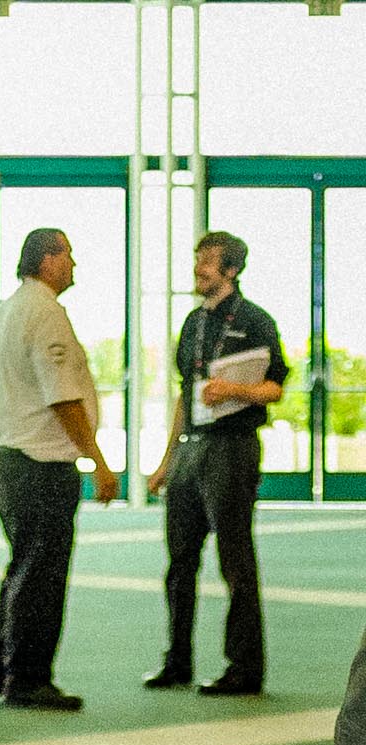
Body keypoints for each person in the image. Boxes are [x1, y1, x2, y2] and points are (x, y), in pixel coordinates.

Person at [0, 228, 119, 712]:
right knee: (42, 573)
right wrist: (97, 460)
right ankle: (29, 677)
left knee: (23, 565)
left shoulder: (8, 310)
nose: (74, 264)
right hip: (40, 464)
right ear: (48, 260)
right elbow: (62, 397)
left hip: (6, 458)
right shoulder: (47, 314)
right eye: (68, 255)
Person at [144, 231, 289, 696]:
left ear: (231, 270)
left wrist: (234, 391)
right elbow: (184, 395)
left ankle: (245, 668)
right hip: (192, 449)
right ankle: (177, 660)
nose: (198, 268)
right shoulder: (192, 324)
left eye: (208, 261)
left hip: (233, 448)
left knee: (235, 561)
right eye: (197, 258)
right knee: (179, 562)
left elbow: (275, 388)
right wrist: (167, 459)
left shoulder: (256, 321)